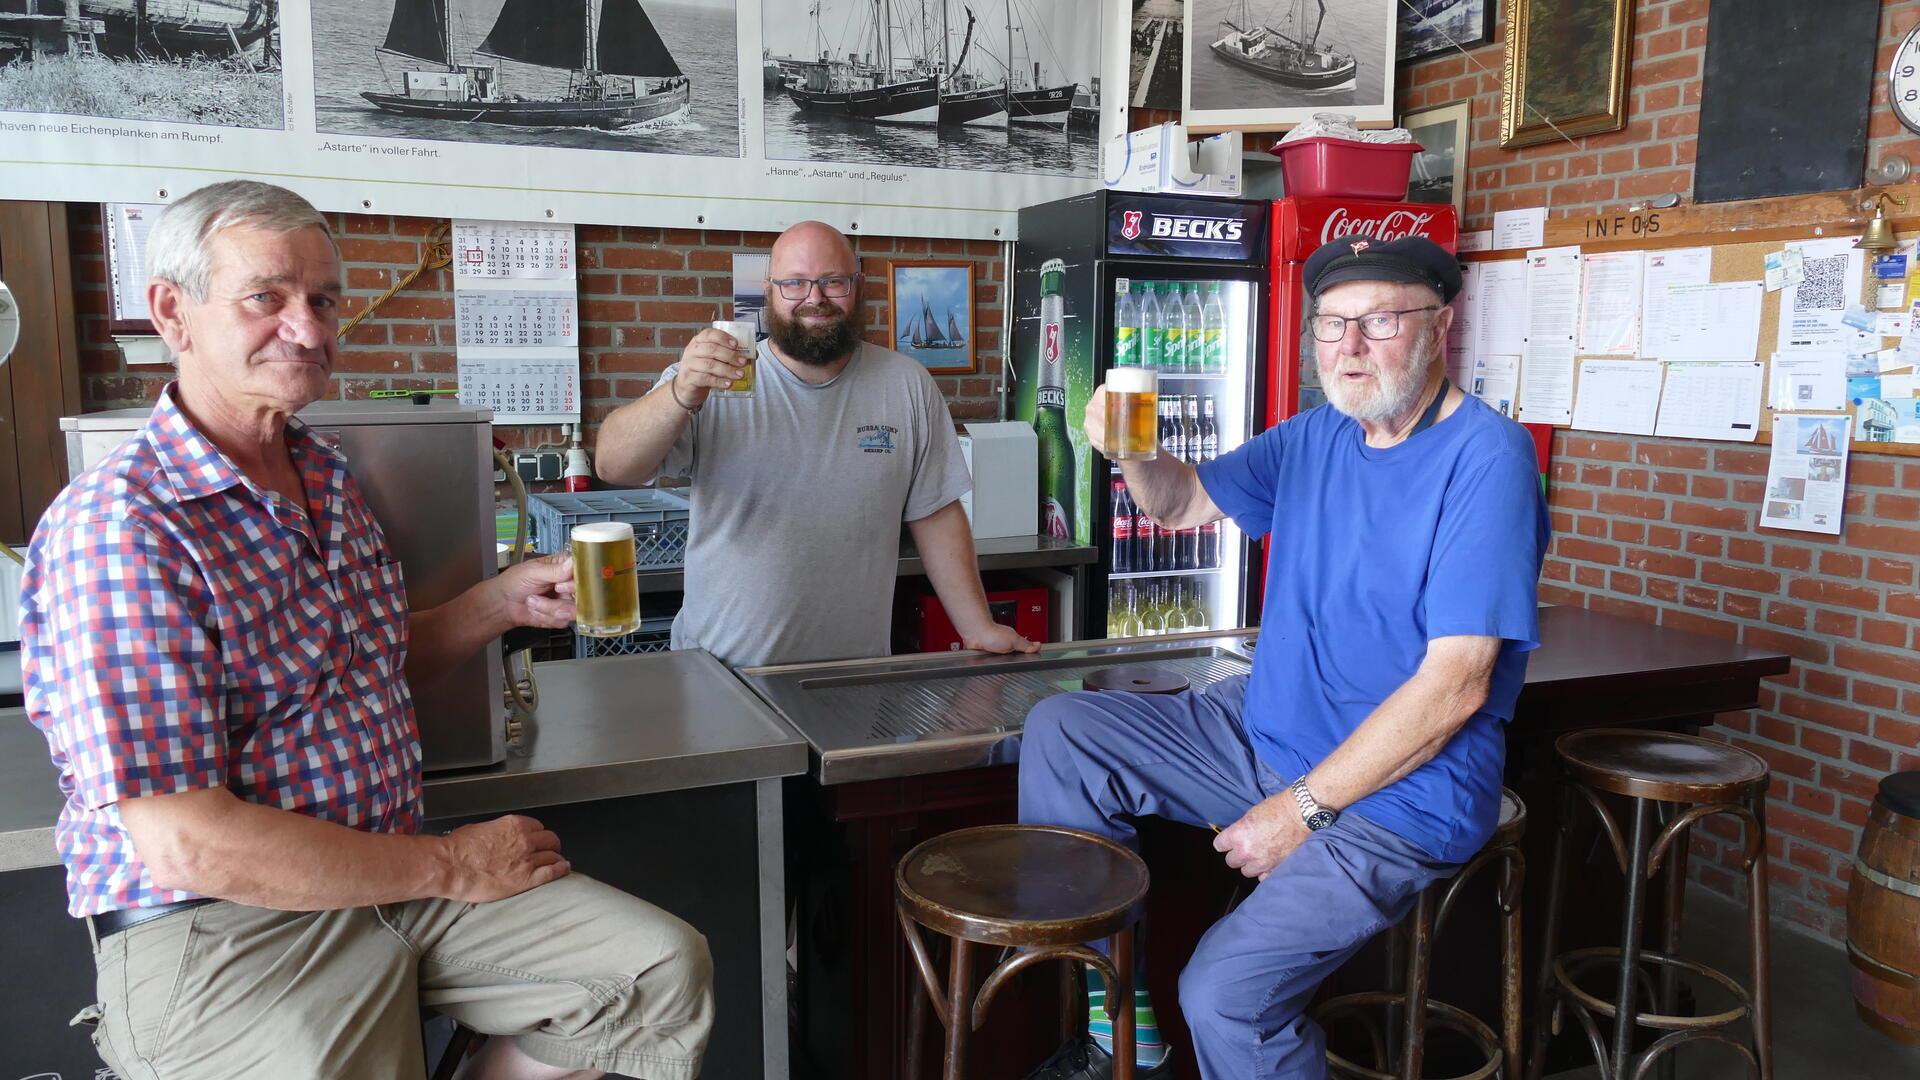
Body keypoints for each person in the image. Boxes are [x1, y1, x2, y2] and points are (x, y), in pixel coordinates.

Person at [21, 180, 712, 1080]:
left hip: (394, 877)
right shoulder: (124, 528)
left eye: (323, 298)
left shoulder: (324, 475)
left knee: (657, 971)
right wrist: (453, 866)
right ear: (173, 313)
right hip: (225, 922)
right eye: (265, 297)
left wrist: (501, 604)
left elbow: (363, 664)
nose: (307, 329)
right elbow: (186, 840)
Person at [1018, 235, 1549, 1079]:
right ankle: (1120, 1025)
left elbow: (1456, 686)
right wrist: (1131, 451)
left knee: (1227, 995)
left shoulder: (1488, 458)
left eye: (1378, 321)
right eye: (1331, 324)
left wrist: (1296, 811)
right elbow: (1181, 503)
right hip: (1269, 736)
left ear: (1439, 325)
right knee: (1064, 730)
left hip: (1396, 795)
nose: (1348, 347)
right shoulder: (1314, 436)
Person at [595, 219, 1037, 667]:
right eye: (795, 283)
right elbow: (614, 466)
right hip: (720, 675)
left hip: (851, 675)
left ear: (858, 285)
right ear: (769, 290)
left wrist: (977, 627)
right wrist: (679, 394)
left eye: (833, 282)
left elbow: (936, 512)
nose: (815, 298)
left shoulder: (906, 384)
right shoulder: (715, 378)